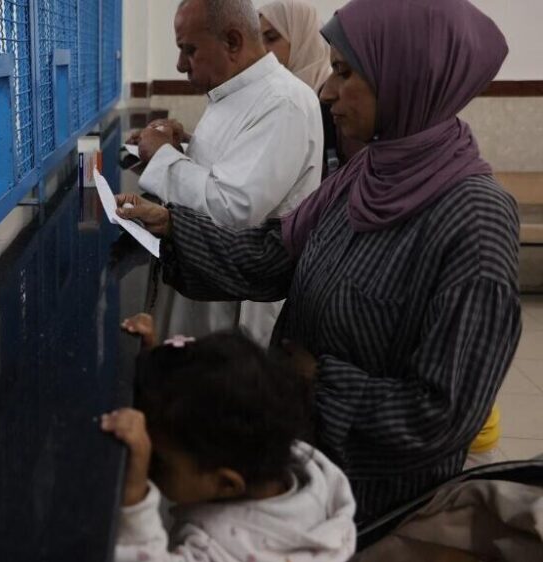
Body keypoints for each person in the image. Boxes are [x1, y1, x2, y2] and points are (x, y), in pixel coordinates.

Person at [115, 0, 519, 522]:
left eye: (346, 72)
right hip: (298, 467)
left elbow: (443, 416)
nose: (326, 90)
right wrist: (172, 228)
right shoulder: (365, 173)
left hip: (371, 503)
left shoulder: (475, 221)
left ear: (409, 78)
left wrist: (318, 381)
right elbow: (275, 256)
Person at [129, 0, 324, 349]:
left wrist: (161, 156)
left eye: (189, 50)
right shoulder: (236, 90)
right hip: (202, 274)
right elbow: (225, 170)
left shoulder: (283, 102)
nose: (179, 64)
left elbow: (231, 209)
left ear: (233, 42)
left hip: (237, 298)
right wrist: (179, 147)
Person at [102, 333, 356, 562]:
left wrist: (135, 498)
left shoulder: (227, 551)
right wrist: (157, 370)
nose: (149, 466)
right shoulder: (290, 462)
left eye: (158, 461)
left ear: (226, 484)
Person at [258, 0, 354, 177]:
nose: (262, 49)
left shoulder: (333, 94)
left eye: (271, 38)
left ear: (301, 36)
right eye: (258, 39)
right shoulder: (269, 94)